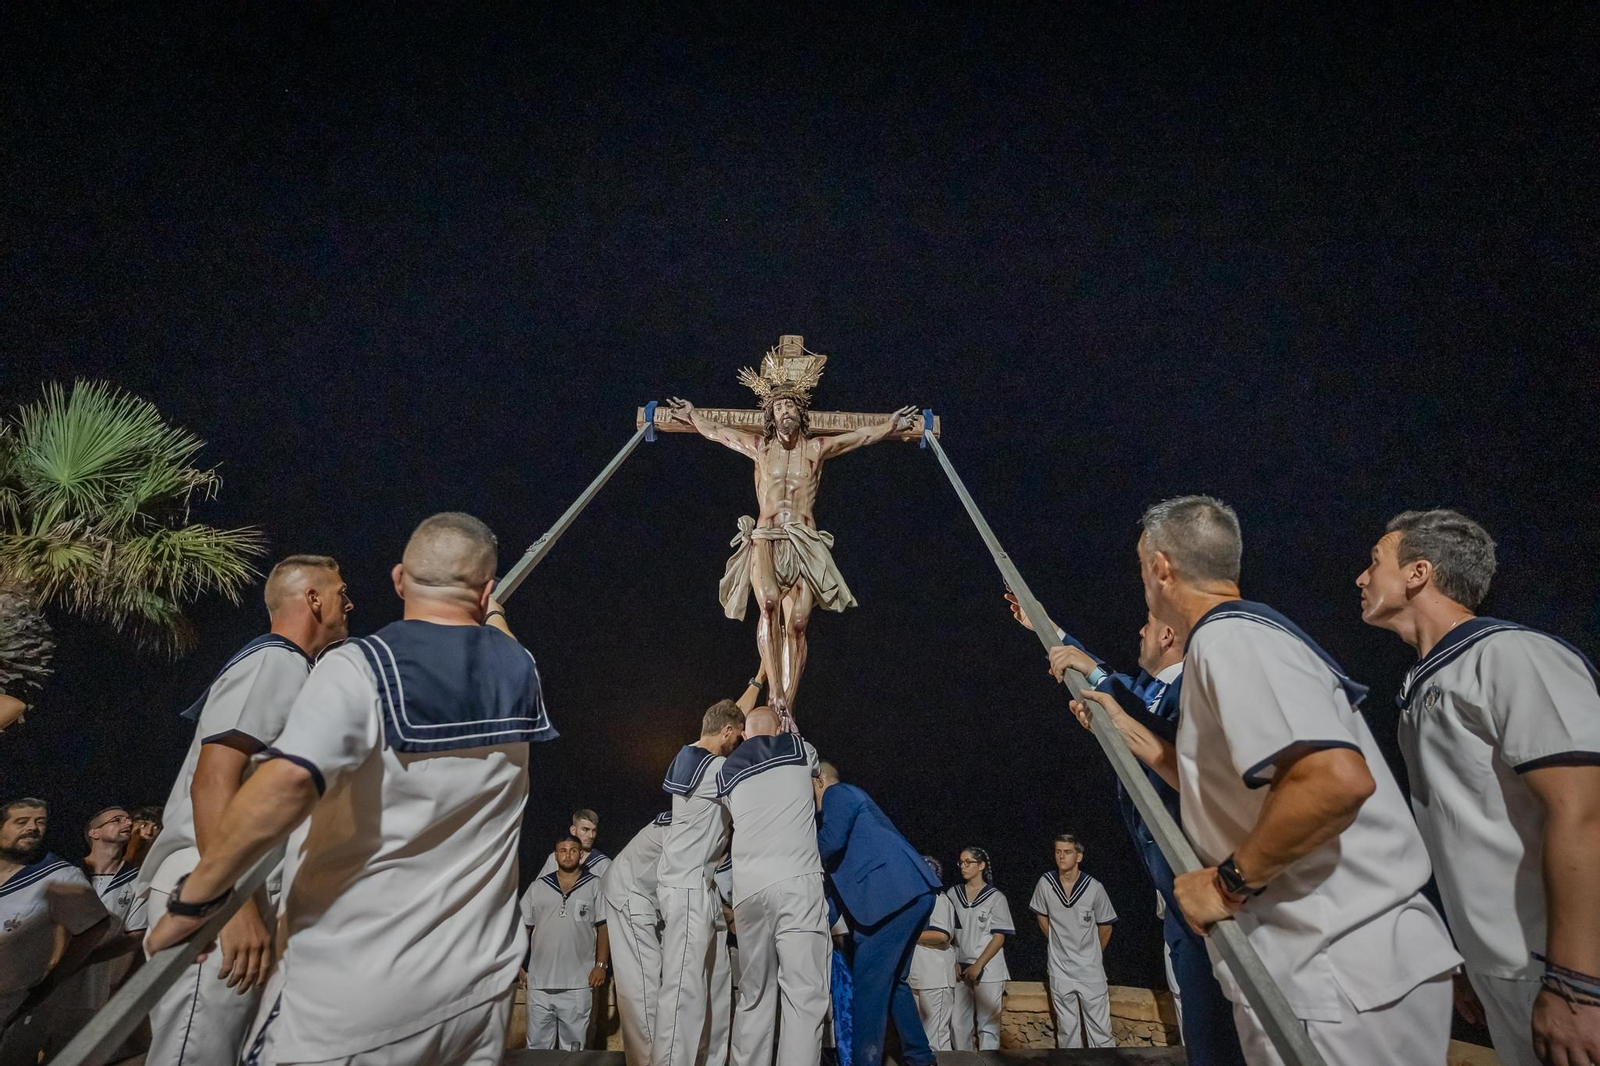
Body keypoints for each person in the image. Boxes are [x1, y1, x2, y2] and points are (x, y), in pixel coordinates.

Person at [146, 511, 558, 1066]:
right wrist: (494, 609)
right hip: (475, 994)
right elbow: (501, 638)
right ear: (485, 592)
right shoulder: (521, 669)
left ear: (398, 580)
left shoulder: (360, 666)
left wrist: (200, 897)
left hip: (354, 995)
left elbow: (289, 780)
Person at [1071, 495, 1462, 1066]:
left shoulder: (1233, 639)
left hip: (1336, 972)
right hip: (1328, 970)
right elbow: (1227, 788)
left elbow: (1335, 780)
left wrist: (1227, 883)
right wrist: (1129, 730)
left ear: (1161, 567)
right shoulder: (1235, 638)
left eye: (1141, 568)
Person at [1357, 508, 1600, 1066]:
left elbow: (1584, 812)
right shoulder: (1424, 686)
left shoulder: (1511, 655)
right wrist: (1462, 954)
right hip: (1506, 967)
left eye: (1375, 562)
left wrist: (1576, 983)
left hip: (1562, 970)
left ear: (1418, 573)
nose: (1362, 578)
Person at [1009, 593, 1245, 1065]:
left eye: (1147, 624)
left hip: (1204, 871)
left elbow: (1142, 716)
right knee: (1197, 1009)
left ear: (1168, 635)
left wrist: (1099, 681)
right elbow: (1108, 682)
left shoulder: (1188, 690)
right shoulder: (1147, 690)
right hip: (1170, 881)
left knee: (1220, 1014)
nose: (1139, 632)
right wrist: (1046, 627)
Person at [137, 553, 352, 1066]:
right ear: (314, 599)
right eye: (341, 590)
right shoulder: (275, 658)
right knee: (193, 1054)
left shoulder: (298, 669)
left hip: (237, 887)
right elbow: (213, 780)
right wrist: (230, 906)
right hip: (212, 881)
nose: (350, 601)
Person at [668, 349, 915, 725]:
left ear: (801, 414)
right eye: (779, 406)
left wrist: (890, 426)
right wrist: (693, 416)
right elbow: (721, 434)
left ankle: (788, 705)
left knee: (798, 621)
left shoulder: (816, 449)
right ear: (771, 415)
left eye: (791, 406)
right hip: (767, 534)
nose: (785, 411)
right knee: (767, 602)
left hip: (803, 538)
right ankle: (776, 694)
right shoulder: (760, 449)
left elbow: (859, 437)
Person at [717, 707, 830, 1066]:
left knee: (754, 993)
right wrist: (790, 726)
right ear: (780, 728)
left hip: (749, 890)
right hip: (796, 881)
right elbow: (816, 771)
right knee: (803, 993)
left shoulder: (726, 772)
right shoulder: (800, 750)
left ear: (744, 735)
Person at [815, 761, 940, 1066]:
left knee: (868, 985)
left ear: (817, 781)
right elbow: (833, 885)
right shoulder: (849, 805)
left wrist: (792, 856)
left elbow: (829, 844)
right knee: (894, 982)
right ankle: (920, 1058)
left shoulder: (837, 793)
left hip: (891, 899)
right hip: (909, 894)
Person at [656, 698, 745, 1066]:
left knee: (717, 986)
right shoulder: (716, 767)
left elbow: (731, 715)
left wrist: (758, 677)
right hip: (688, 884)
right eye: (738, 737)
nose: (740, 744)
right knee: (683, 989)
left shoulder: (690, 754)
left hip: (701, 888)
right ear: (726, 732)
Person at [0, 798, 111, 1066]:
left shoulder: (60, 876)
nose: (33, 828)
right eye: (21, 821)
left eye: (41, 822)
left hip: (9, 1007)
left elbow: (93, 927)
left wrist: (53, 978)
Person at [45, 807, 149, 1064]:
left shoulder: (138, 880)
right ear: (94, 832)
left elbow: (135, 934)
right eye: (117, 820)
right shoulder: (67, 873)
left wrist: (84, 957)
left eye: (128, 819)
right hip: (49, 979)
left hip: (97, 984)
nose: (128, 823)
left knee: (78, 1053)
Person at [522, 834, 609, 1050]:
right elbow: (523, 927)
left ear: (581, 855)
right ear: (555, 855)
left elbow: (604, 927)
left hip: (578, 984)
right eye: (562, 850)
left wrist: (601, 965)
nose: (567, 854)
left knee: (574, 1051)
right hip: (540, 984)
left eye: (572, 850)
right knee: (537, 1051)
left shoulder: (595, 885)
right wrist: (518, 965)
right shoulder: (538, 887)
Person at [1029, 834, 1116, 1048]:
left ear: (1079, 856)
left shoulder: (1094, 887)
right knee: (1067, 1030)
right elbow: (1041, 914)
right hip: (1060, 969)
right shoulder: (1046, 883)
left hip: (1090, 970)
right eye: (1058, 851)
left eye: (1067, 852)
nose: (1061, 856)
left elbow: (1106, 925)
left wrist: (1094, 953)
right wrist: (1055, 940)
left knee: (1100, 1031)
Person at [602, 811, 672, 1066]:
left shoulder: (685, 815)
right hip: (630, 894)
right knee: (643, 986)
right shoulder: (693, 819)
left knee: (648, 984)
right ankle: (648, 1062)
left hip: (642, 897)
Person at [946, 846, 1013, 1050]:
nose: (963, 866)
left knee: (988, 1025)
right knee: (958, 1024)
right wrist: (954, 960)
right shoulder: (953, 893)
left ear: (981, 865)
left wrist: (978, 965)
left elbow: (998, 937)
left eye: (968, 862)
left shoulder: (996, 897)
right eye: (961, 862)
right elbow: (949, 932)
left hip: (989, 968)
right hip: (960, 967)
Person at [907, 856, 956, 1052]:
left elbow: (941, 934)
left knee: (935, 1039)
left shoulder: (939, 899)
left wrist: (907, 934)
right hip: (917, 975)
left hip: (936, 977)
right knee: (921, 1039)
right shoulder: (915, 901)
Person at [537, 808, 611, 877]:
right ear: (573, 830)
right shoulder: (555, 858)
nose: (591, 836)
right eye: (585, 829)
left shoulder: (604, 864)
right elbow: (540, 888)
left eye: (594, 831)